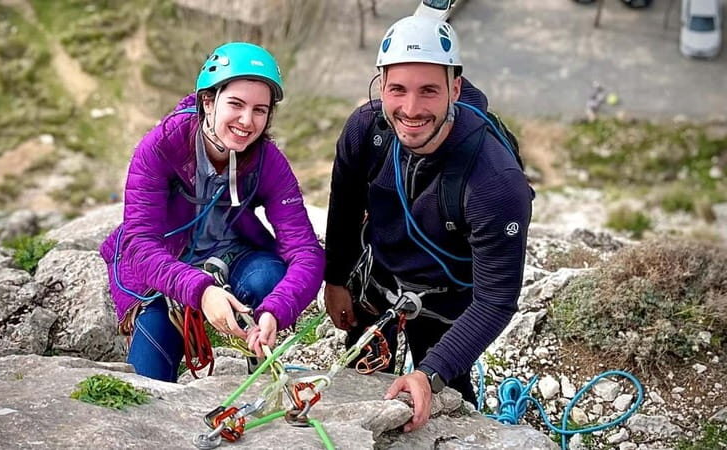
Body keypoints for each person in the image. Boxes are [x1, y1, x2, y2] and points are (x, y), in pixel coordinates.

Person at [324, 16, 533, 432]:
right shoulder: (366, 130)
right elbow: (344, 207)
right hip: (377, 278)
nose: (412, 108)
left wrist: (431, 372)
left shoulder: (494, 182)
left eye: (429, 91)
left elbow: (495, 300)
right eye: (397, 89)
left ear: (455, 89)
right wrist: (336, 279)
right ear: (381, 85)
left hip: (449, 301)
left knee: (448, 406)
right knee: (363, 386)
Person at [99, 42, 325, 382]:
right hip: (167, 267)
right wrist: (201, 291)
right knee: (149, 379)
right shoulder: (162, 146)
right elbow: (140, 244)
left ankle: (257, 362)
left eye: (260, 110)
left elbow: (306, 252)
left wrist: (276, 311)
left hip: (234, 257)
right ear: (208, 101)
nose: (247, 121)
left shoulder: (267, 161)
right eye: (236, 104)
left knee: (268, 279)